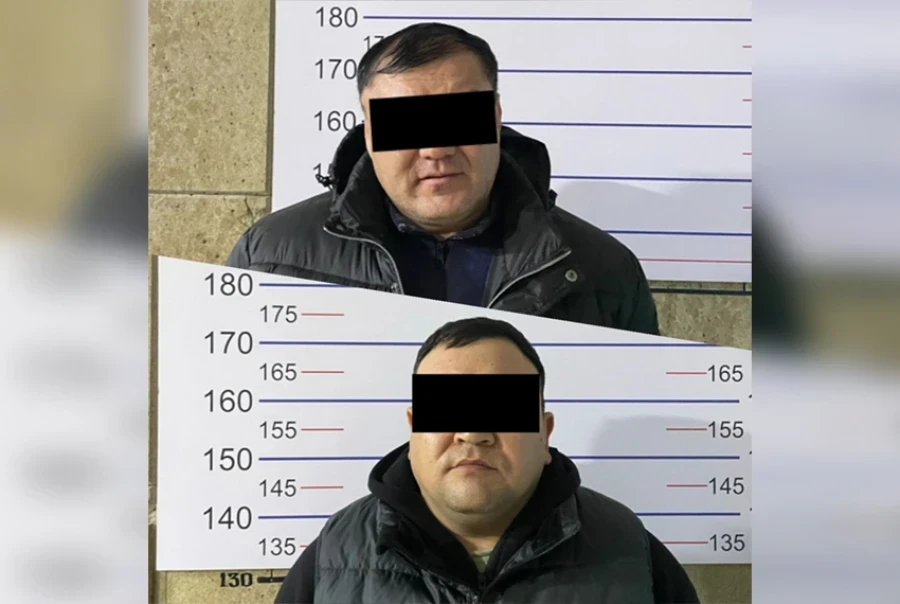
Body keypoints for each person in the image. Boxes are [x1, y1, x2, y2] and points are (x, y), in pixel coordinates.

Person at [227, 23, 659, 335]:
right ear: (370, 134)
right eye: (406, 125)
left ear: (495, 117)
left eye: (459, 117)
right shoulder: (268, 256)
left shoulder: (604, 272)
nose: (436, 149)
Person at [274, 317, 699, 603]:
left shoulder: (630, 549)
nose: (473, 432)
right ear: (413, 429)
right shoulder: (334, 555)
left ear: (545, 434)